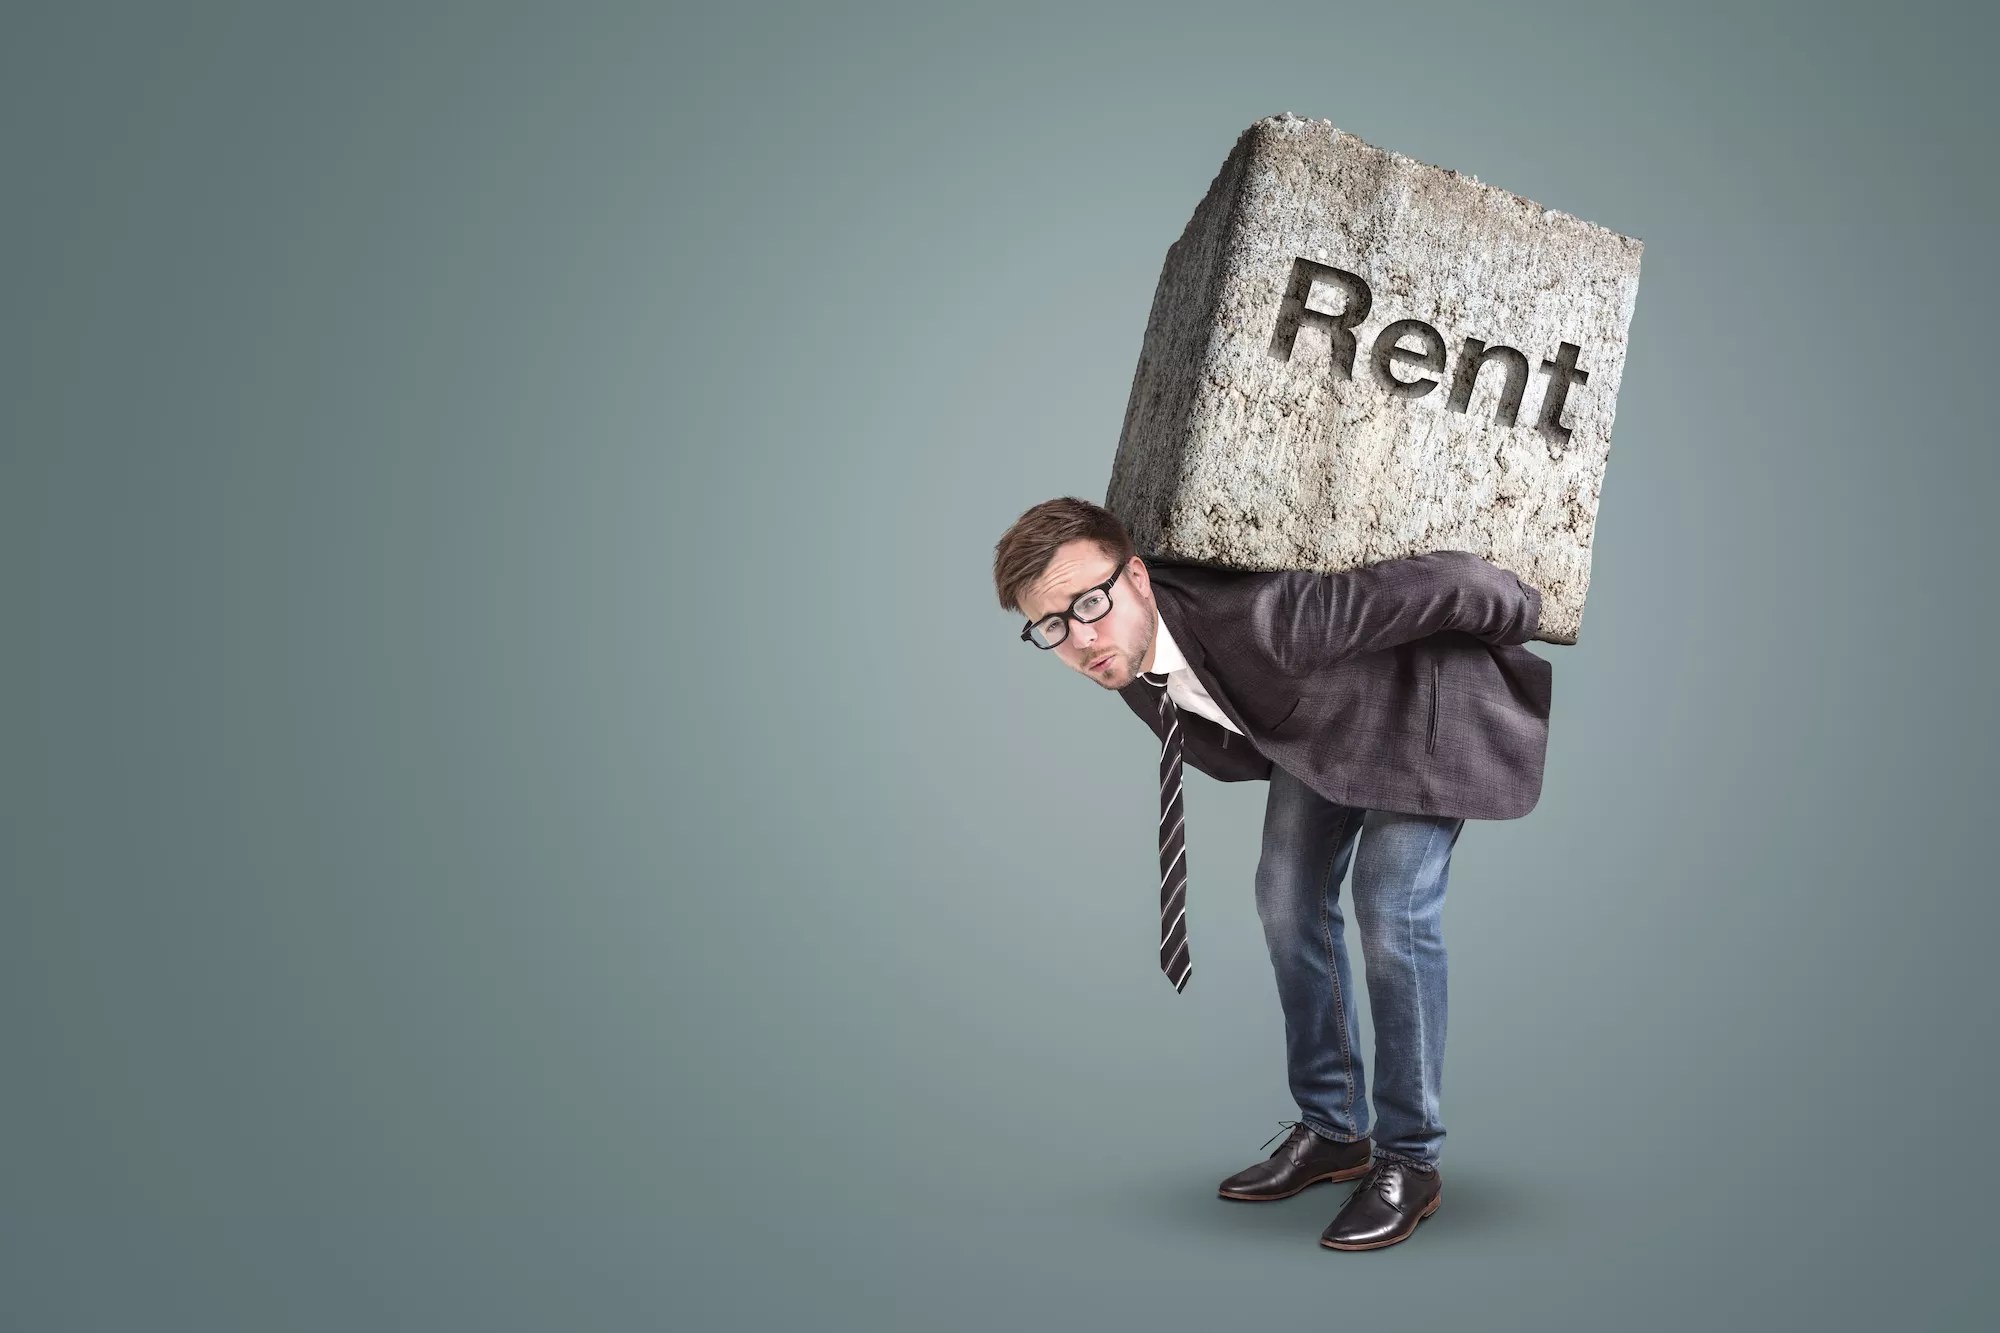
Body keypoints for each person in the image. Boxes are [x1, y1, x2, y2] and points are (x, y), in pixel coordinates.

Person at [992, 496, 1552, 1251]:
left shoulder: (1266, 617)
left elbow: (1451, 577)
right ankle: (1333, 1128)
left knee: (1389, 905)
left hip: (1425, 701)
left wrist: (1524, 608)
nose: (1081, 636)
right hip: (1322, 718)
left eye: (1090, 602)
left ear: (1136, 576)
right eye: (1051, 625)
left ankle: (1410, 1158)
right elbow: (1226, 733)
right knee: (1286, 897)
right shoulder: (1119, 660)